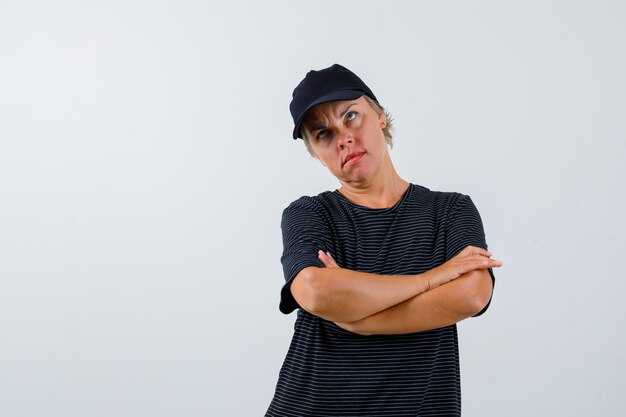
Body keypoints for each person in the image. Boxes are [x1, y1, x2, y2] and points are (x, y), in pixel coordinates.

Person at [265, 64, 502, 417]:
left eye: (351, 116)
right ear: (316, 153)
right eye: (323, 134)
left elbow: (471, 294)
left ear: (380, 117)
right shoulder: (310, 214)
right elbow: (316, 292)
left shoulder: (450, 210)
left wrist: (356, 317)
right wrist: (431, 279)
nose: (344, 138)